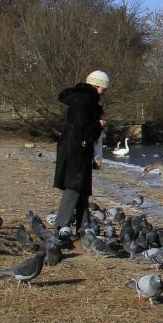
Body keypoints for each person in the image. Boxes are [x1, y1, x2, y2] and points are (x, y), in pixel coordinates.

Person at [53, 70, 109, 236]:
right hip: (77, 149)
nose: (104, 92)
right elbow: (80, 126)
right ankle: (60, 227)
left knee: (82, 188)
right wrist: (98, 125)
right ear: (97, 85)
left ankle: (84, 227)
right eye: (104, 88)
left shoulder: (81, 97)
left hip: (74, 147)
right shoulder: (85, 99)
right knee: (74, 186)